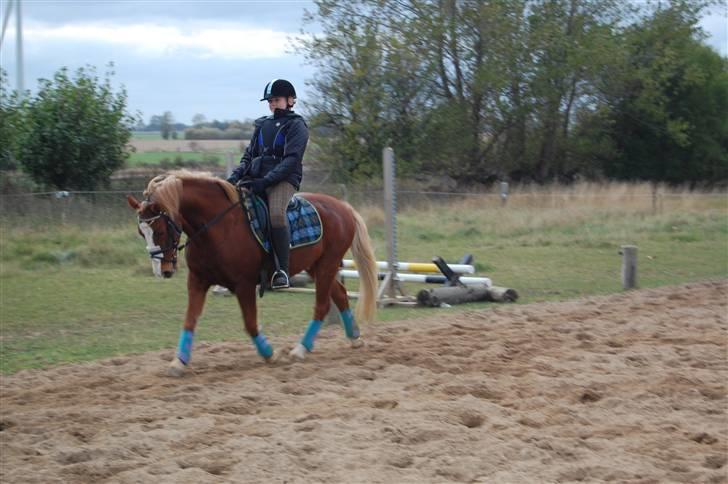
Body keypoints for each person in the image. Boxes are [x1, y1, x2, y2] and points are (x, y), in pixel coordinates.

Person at [227, 79, 309, 289]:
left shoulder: (297, 125)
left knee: (275, 213)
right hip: (258, 177)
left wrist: (265, 181)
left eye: (277, 100)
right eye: (270, 101)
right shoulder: (262, 125)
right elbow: (248, 156)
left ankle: (282, 270)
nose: (273, 104)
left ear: (290, 100)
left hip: (284, 179)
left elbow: (291, 160)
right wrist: (234, 178)